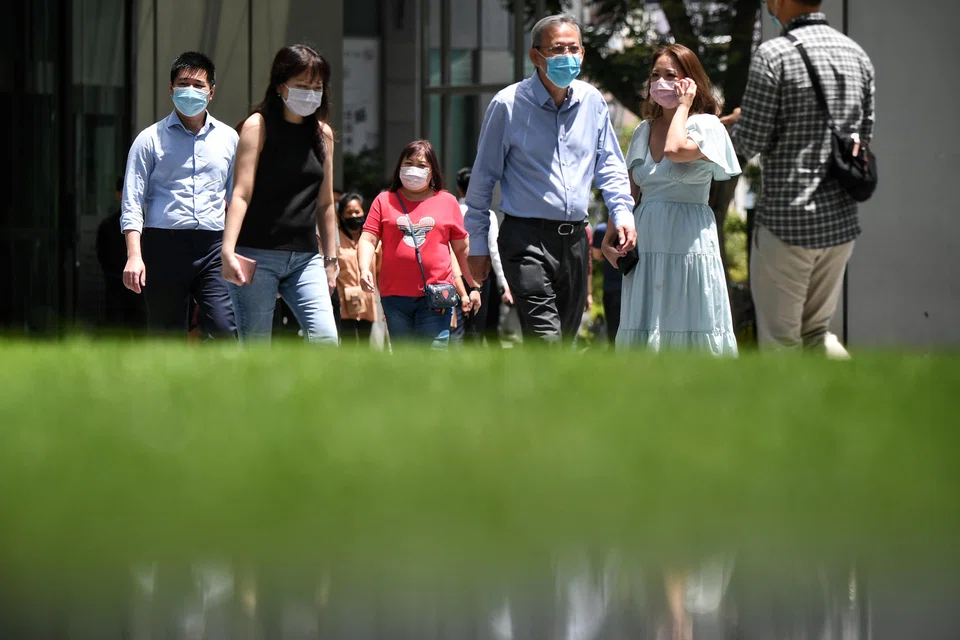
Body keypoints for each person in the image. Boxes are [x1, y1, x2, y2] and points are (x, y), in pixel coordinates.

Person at [463, 14, 636, 344]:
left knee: (561, 342)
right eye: (557, 49)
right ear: (535, 56)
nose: (567, 56)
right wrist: (478, 243)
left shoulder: (592, 102)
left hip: (574, 241)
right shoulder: (508, 104)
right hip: (525, 240)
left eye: (574, 49)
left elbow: (610, 166)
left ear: (583, 54)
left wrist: (622, 213)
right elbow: (483, 178)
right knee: (546, 339)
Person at [726, 0, 875, 353]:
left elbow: (750, 142)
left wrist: (722, 130)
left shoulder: (774, 55)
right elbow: (862, 139)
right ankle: (854, 403)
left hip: (787, 222)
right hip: (840, 222)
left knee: (781, 341)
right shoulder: (857, 55)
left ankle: (791, 411)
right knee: (818, 333)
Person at [603, 44, 741, 355]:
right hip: (648, 239)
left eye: (671, 75)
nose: (661, 82)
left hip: (689, 239)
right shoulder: (643, 130)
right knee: (646, 326)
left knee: (690, 320)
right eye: (655, 75)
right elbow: (629, 191)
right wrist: (612, 234)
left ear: (690, 81)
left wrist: (682, 106)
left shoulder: (707, 126)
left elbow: (675, 150)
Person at [221, 44, 339, 344]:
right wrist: (227, 250)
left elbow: (326, 204)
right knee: (256, 348)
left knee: (326, 339)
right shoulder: (257, 126)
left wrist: (331, 260)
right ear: (279, 87)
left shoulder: (322, 134)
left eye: (317, 87)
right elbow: (241, 194)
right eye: (301, 86)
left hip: (306, 258)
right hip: (256, 254)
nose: (310, 93)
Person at [120, 51, 238, 339]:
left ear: (211, 92)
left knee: (224, 328)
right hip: (164, 243)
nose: (191, 91)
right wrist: (134, 255)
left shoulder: (229, 139)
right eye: (184, 83)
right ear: (171, 89)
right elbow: (132, 203)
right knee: (165, 334)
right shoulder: (149, 139)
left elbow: (238, 199)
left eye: (199, 85)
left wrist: (239, 249)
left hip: (214, 245)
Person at [357, 140, 481, 348]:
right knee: (404, 359)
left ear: (432, 171)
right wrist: (363, 269)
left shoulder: (448, 201)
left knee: (433, 358)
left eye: (422, 165)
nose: (414, 170)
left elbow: (461, 249)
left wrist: (474, 286)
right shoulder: (383, 200)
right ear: (399, 167)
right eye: (409, 163)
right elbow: (368, 239)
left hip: (436, 296)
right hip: (394, 296)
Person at [455, 167, 512, 344]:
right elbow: (494, 251)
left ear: (459, 188)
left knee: (456, 324)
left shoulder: (453, 210)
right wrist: (504, 283)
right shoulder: (487, 214)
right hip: (479, 274)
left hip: (454, 273)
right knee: (476, 325)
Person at [97, 176, 147, 336]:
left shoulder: (149, 225)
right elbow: (104, 258)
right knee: (117, 333)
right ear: (118, 195)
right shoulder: (107, 226)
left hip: (143, 288)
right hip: (116, 289)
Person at [335, 191, 380, 345]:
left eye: (357, 212)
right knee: (348, 345)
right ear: (341, 215)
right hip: (343, 304)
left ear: (364, 213)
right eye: (349, 212)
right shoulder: (335, 240)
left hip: (367, 303)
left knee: (366, 346)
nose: (354, 216)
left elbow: (380, 272)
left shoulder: (372, 240)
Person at [590, 215, 621, 344]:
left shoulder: (602, 230)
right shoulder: (638, 228)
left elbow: (597, 255)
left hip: (611, 287)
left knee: (613, 330)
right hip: (634, 286)